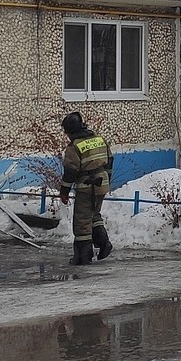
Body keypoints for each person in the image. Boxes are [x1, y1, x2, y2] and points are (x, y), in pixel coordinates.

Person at [60, 112, 114, 266]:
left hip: (86, 186)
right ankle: (104, 244)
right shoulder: (99, 139)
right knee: (94, 215)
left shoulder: (74, 146)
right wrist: (107, 180)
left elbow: (71, 171)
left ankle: (83, 257)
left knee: (82, 221)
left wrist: (64, 191)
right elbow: (110, 160)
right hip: (101, 183)